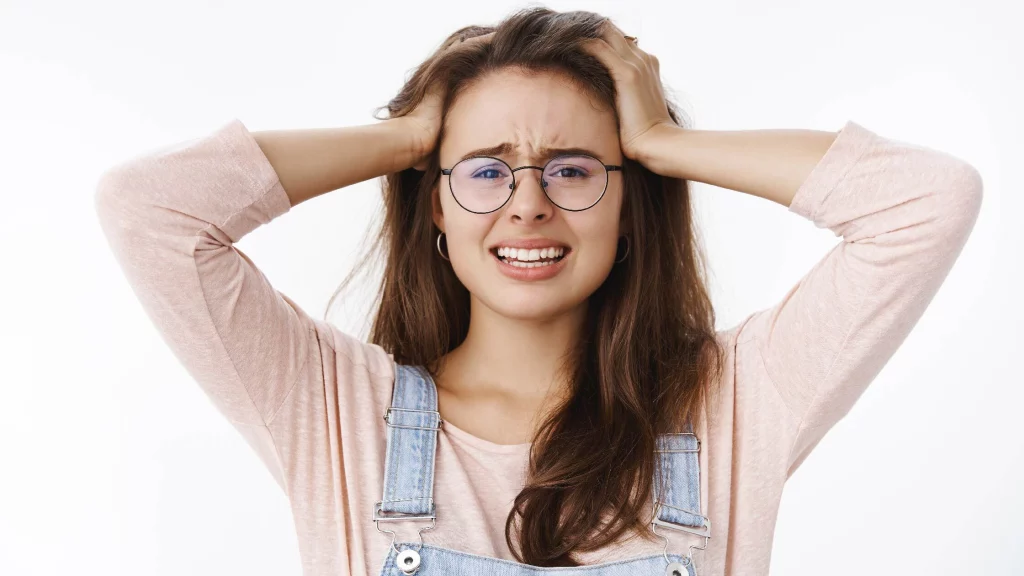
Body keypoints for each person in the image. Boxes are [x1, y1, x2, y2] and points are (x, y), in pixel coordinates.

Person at [93, 7, 982, 576]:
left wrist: (665, 144)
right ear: (432, 206)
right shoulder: (333, 409)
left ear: (633, 207)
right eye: (485, 172)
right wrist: (408, 137)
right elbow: (150, 211)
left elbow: (926, 202)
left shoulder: (732, 402)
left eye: (572, 169)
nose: (528, 206)